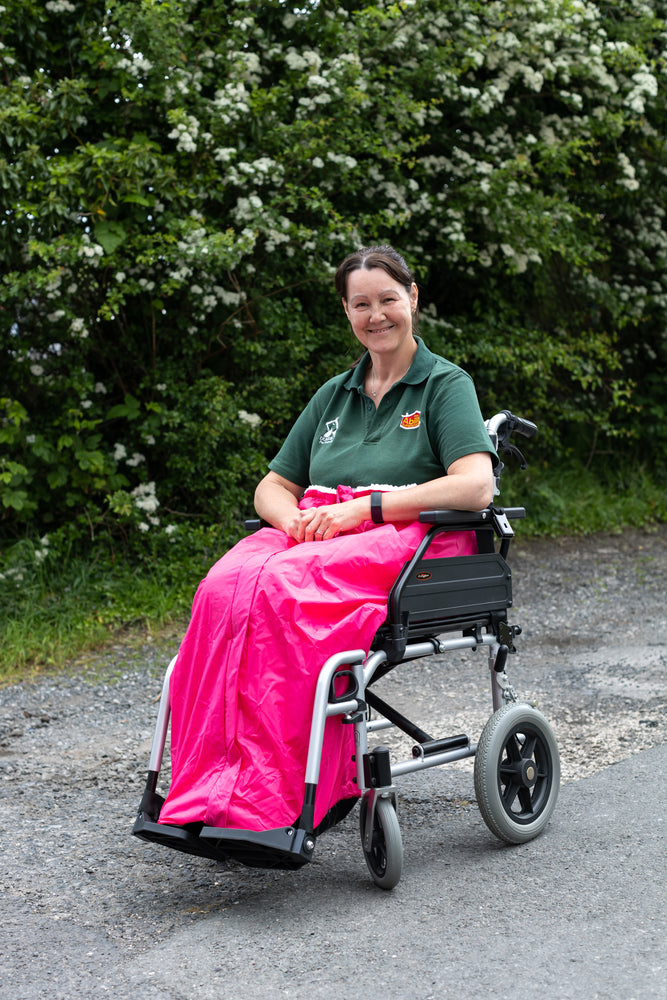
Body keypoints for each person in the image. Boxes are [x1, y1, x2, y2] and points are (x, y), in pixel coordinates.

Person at [158, 245, 497, 835]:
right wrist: (292, 521)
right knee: (221, 587)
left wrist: (364, 509)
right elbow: (271, 486)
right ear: (346, 311)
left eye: (388, 299)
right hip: (318, 528)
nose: (377, 315)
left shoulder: (444, 385)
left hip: (409, 534)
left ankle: (276, 795)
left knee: (287, 588)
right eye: (361, 304)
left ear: (412, 298)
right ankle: (213, 787)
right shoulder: (332, 395)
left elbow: (476, 486)